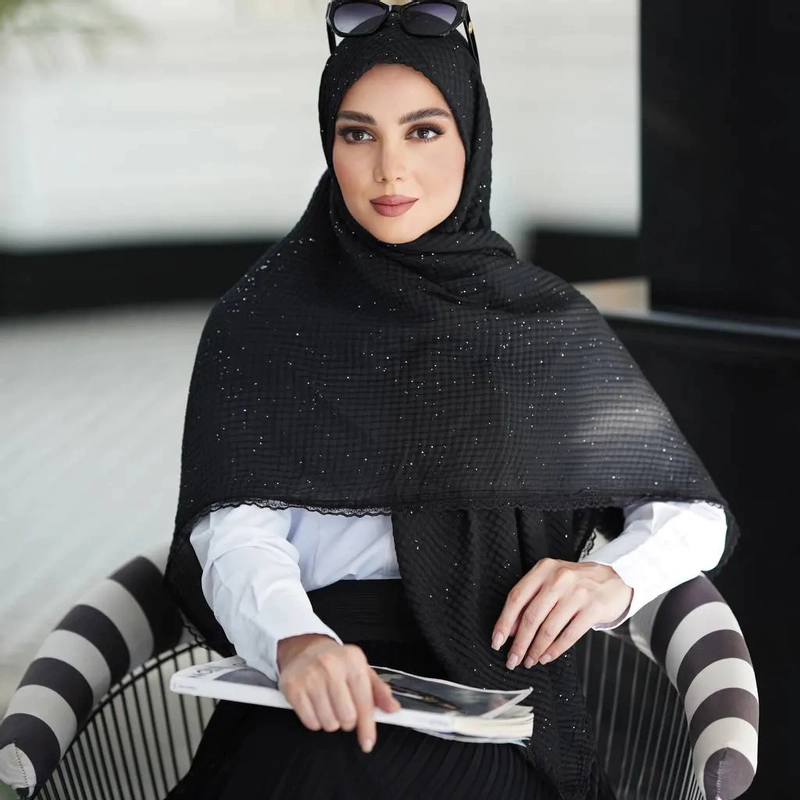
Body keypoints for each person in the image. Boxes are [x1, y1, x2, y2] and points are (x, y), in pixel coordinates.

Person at [164, 2, 735, 798]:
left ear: (472, 137)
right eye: (357, 134)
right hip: (320, 674)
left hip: (495, 685)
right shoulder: (262, 321)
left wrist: (612, 579)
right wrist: (294, 640)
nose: (389, 169)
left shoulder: (542, 325)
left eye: (424, 131)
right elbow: (235, 532)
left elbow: (692, 515)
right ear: (329, 145)